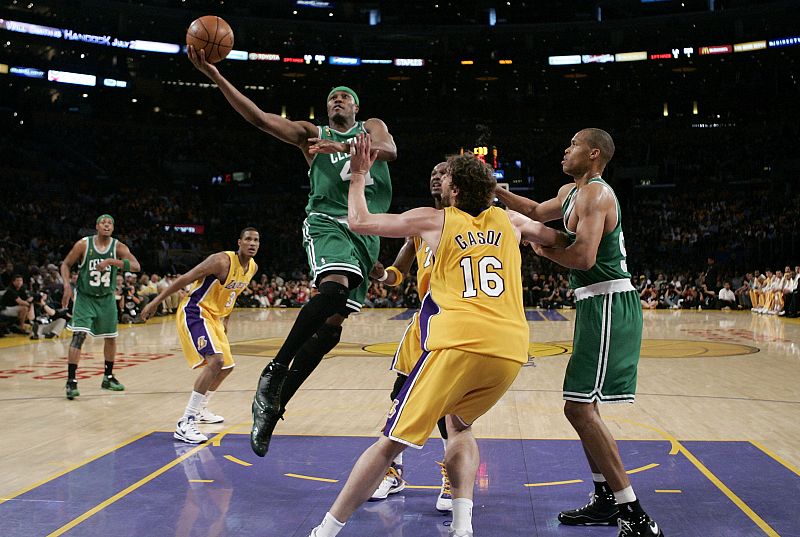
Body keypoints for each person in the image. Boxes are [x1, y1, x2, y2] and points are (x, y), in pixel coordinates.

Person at [306, 135, 563, 537]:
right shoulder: (512, 222)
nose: (438, 181)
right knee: (459, 427)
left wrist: (357, 176)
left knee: (391, 439)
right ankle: (463, 527)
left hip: (456, 339)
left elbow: (359, 221)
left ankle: (325, 530)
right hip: (510, 349)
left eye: (444, 177)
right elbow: (559, 240)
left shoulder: (433, 218)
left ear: (455, 188)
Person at [186, 46, 398, 457]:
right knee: (332, 292)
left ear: (356, 107)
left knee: (331, 329)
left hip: (366, 228)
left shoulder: (372, 127)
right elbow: (259, 118)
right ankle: (274, 374)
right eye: (332, 98)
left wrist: (343, 148)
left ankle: (274, 403)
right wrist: (214, 74)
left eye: (344, 96)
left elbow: (389, 151)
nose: (337, 101)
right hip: (327, 221)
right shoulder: (311, 134)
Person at [495, 128, 663, 536]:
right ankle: (606, 499)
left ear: (592, 154)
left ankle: (635, 514)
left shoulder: (596, 195)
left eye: (571, 144)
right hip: (593, 303)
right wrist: (499, 192)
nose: (564, 149)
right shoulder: (572, 192)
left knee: (578, 407)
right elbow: (536, 211)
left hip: (608, 301)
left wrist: (542, 248)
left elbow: (585, 258)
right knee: (583, 405)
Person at [368, 162, 453, 511]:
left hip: (457, 322)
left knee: (449, 407)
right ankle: (394, 472)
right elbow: (397, 274)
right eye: (433, 171)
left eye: (444, 171)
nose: (435, 175)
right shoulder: (418, 226)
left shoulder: (470, 220)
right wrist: (381, 274)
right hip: (425, 320)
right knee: (400, 396)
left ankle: (453, 477)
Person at [141, 228, 260, 443]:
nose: (252, 243)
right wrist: (155, 302)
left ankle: (202, 409)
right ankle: (185, 422)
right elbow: (186, 278)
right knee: (216, 361)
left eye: (256, 240)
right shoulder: (221, 261)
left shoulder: (252, 267)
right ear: (239, 242)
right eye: (248, 239)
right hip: (195, 310)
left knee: (226, 367)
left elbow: (232, 294)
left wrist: (226, 320)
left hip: (215, 317)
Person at [60, 215, 141, 400]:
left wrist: (113, 262)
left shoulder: (118, 247)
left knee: (111, 338)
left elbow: (136, 266)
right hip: (85, 298)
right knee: (78, 336)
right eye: (103, 222)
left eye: (110, 223)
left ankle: (108, 377)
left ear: (112, 228)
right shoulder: (83, 244)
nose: (106, 225)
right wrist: (66, 285)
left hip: (106, 298)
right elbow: (66, 264)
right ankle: (71, 381)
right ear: (97, 226)